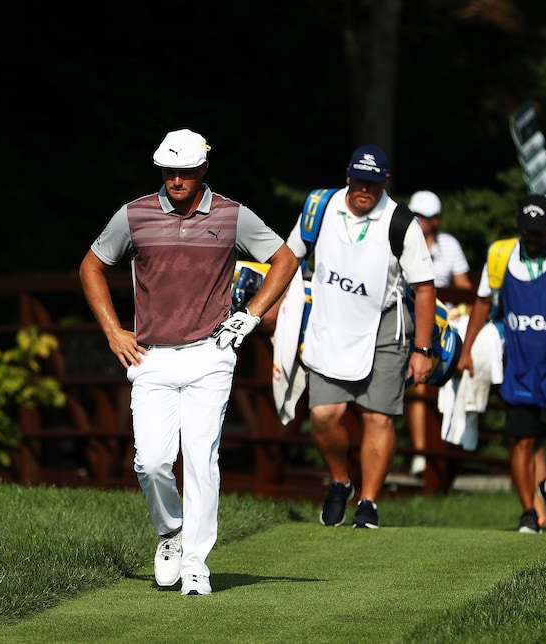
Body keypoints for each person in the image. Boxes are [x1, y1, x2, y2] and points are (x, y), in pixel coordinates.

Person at [79, 128, 296, 595]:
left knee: (202, 458)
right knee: (152, 462)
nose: (176, 180)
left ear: (203, 170)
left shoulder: (232, 215)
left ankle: (197, 562)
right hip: (151, 356)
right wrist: (114, 330)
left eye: (185, 171)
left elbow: (284, 258)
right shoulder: (134, 214)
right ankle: (171, 533)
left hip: (210, 354)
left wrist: (251, 316)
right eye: (169, 171)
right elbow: (91, 266)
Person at [285, 144, 438, 529]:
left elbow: (424, 287)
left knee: (378, 417)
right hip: (330, 323)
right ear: (347, 176)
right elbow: (290, 257)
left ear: (385, 182)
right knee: (323, 416)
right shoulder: (320, 207)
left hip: (385, 326)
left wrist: (423, 349)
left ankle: (368, 501)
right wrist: (271, 310)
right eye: (358, 180)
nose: (363, 189)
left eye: (372, 183)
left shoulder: (400, 221)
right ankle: (341, 480)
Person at [457, 195, 546, 534]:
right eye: (528, 231)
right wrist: (466, 349)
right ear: (518, 225)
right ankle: (528, 511)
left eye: (539, 231)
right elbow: (482, 303)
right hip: (517, 364)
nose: (533, 238)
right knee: (522, 440)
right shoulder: (500, 256)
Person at [406, 189, 473, 476]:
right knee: (419, 381)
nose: (420, 222)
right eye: (416, 216)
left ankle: (450, 450)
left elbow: (464, 289)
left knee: (456, 374)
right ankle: (423, 452)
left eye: (426, 217)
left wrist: (456, 309)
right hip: (412, 319)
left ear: (437, 221)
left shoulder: (449, 245)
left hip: (444, 321)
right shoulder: (402, 240)